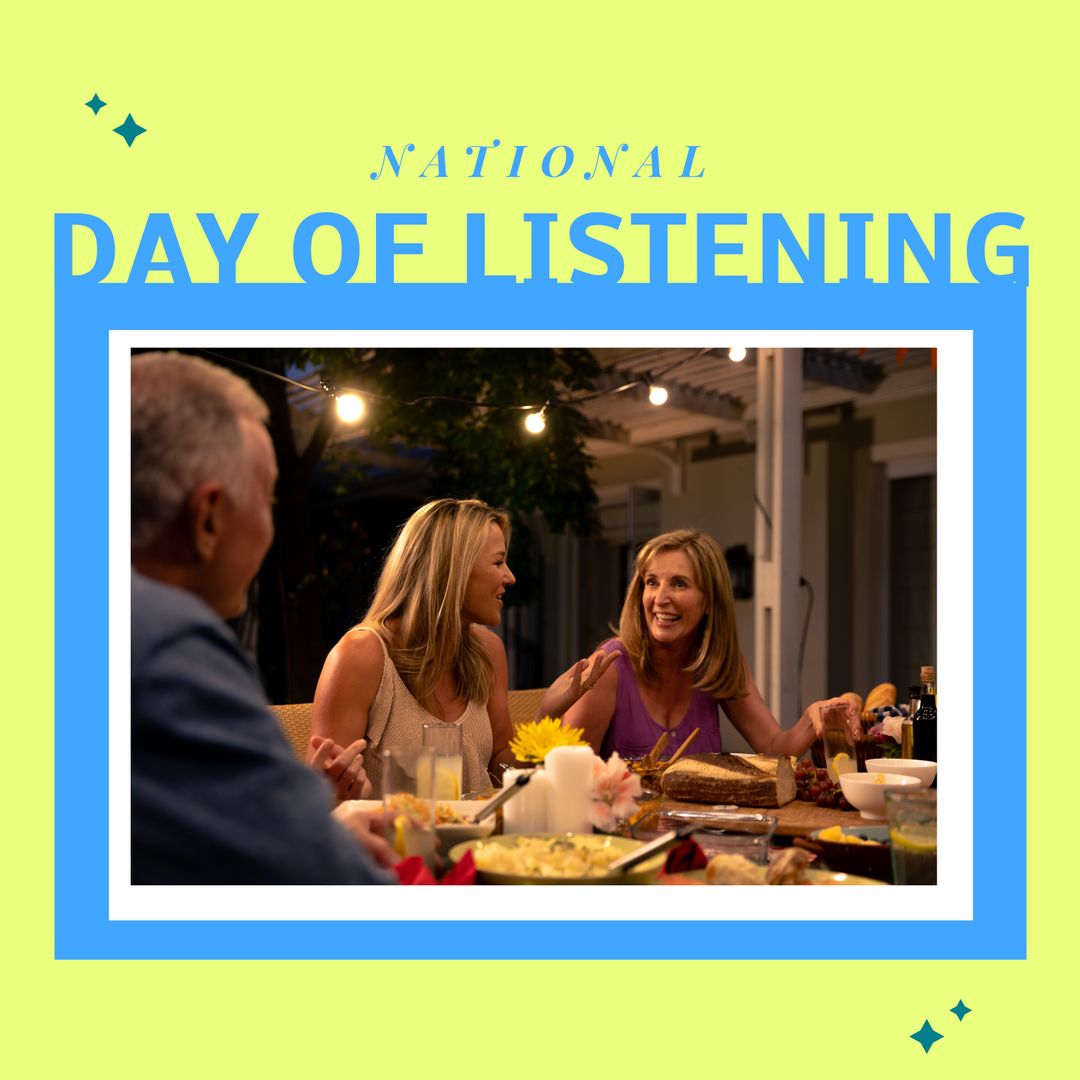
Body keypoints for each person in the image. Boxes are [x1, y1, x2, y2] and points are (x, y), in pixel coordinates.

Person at [130, 350, 395, 884]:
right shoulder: (169, 643)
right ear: (208, 517)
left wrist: (311, 823)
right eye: (268, 500)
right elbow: (339, 885)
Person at [539, 529, 858, 760]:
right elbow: (567, 777)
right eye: (652, 582)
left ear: (709, 601)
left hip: (703, 831)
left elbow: (775, 748)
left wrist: (814, 718)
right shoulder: (608, 668)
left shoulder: (717, 662)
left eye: (679, 584)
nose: (660, 598)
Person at [312, 498, 517, 796]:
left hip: (478, 829)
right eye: (498, 562)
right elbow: (319, 795)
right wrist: (337, 791)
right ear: (452, 569)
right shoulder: (361, 655)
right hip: (391, 828)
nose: (510, 577)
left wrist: (550, 715)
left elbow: (501, 765)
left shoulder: (488, 650)